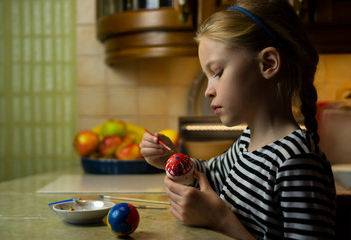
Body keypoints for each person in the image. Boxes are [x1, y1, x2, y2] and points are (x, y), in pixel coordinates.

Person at [139, 0, 336, 239]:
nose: (208, 91)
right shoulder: (247, 142)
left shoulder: (296, 162)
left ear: (268, 63)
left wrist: (221, 220)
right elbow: (209, 173)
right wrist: (171, 160)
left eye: (218, 73)